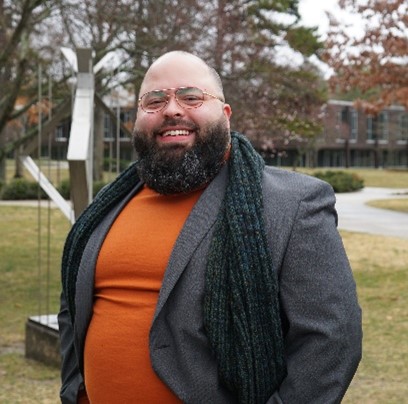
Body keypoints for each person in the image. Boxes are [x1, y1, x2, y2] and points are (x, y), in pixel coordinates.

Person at [58, 50, 362, 404]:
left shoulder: (293, 205)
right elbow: (73, 305)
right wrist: (73, 388)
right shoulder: (105, 207)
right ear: (138, 117)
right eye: (154, 100)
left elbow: (331, 341)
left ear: (226, 114)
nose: (171, 109)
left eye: (191, 97)